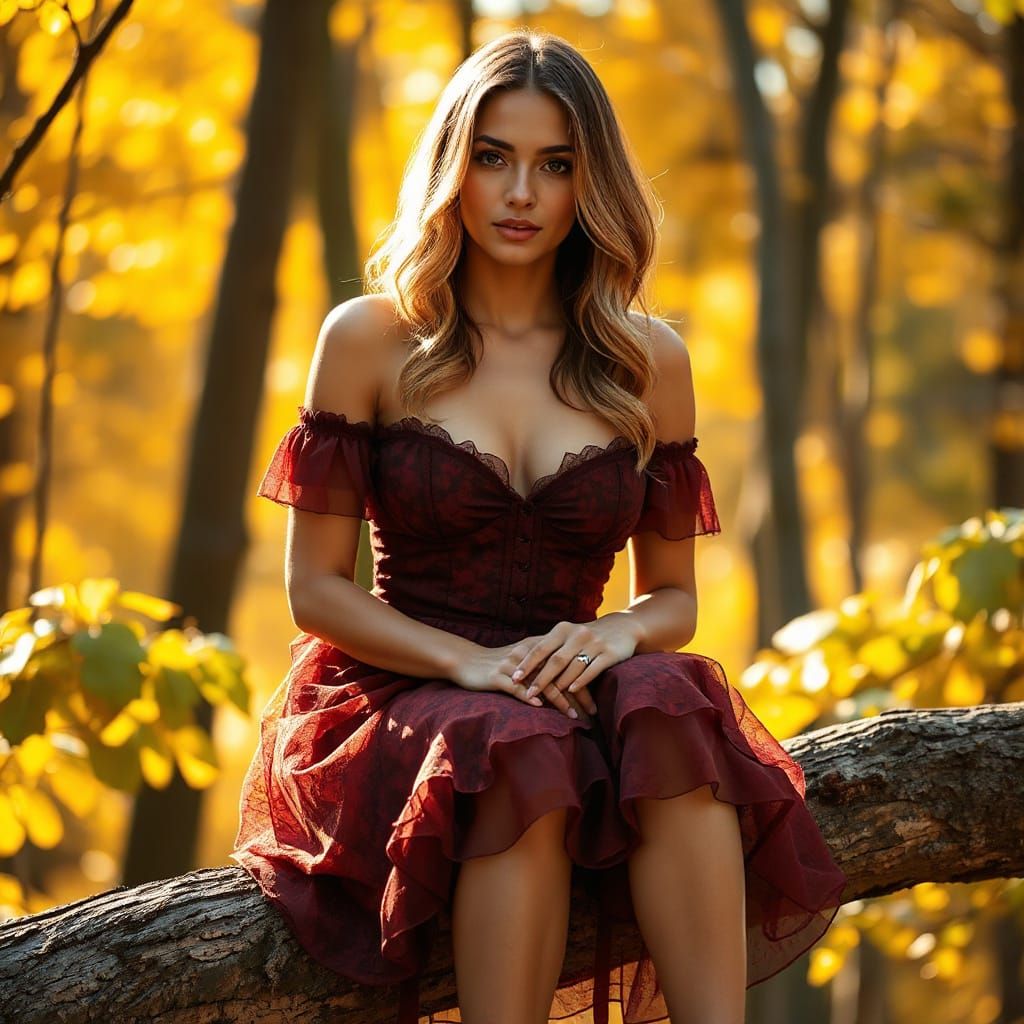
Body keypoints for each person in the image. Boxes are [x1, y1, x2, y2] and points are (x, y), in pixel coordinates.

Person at [231, 28, 848, 1024]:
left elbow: (673, 599)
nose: (521, 193)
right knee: (516, 744)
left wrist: (615, 635)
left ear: (589, 184)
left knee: (672, 696)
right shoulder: (370, 339)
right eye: (494, 158)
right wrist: (467, 665)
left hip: (570, 674)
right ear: (454, 168)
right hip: (402, 686)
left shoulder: (648, 362)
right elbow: (316, 591)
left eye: (555, 165)